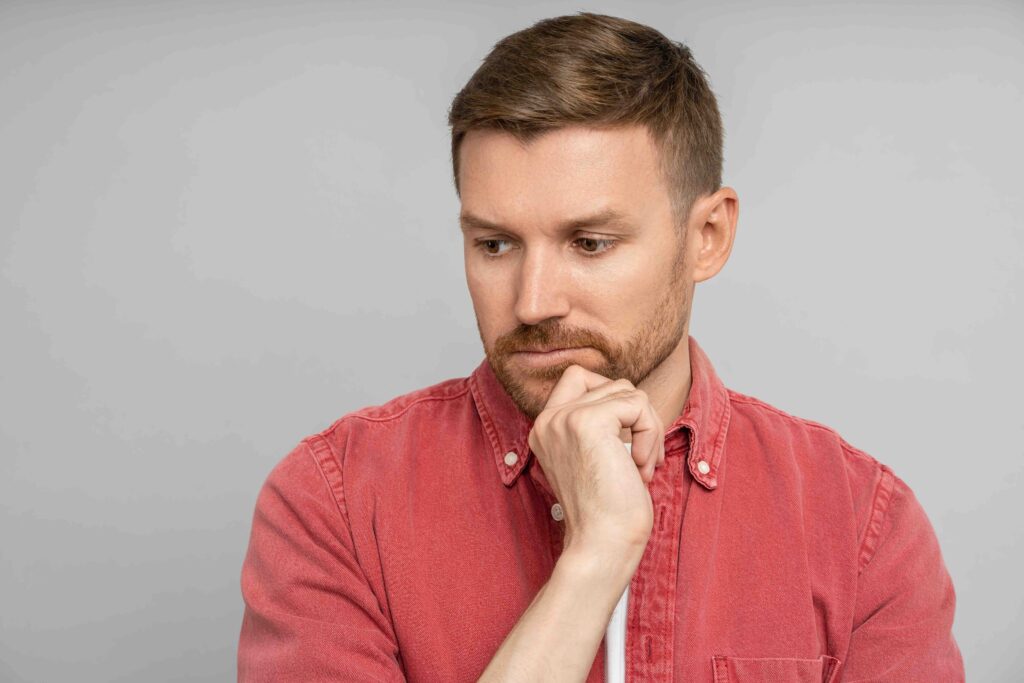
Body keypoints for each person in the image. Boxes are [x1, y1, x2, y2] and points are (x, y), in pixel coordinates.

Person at [237, 12, 964, 682]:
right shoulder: (334, 503)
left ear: (706, 236)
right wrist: (595, 558)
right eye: (495, 244)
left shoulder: (860, 527)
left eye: (590, 243)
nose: (532, 302)